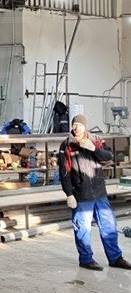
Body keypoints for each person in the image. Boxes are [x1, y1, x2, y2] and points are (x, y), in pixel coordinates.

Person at [59, 114, 131, 271]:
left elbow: (109, 157)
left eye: (80, 125)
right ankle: (86, 259)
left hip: (99, 192)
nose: (76, 128)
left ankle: (115, 258)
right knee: (83, 229)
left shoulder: (96, 139)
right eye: (74, 125)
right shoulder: (67, 145)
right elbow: (64, 172)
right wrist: (69, 194)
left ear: (85, 126)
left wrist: (94, 148)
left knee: (109, 226)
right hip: (81, 194)